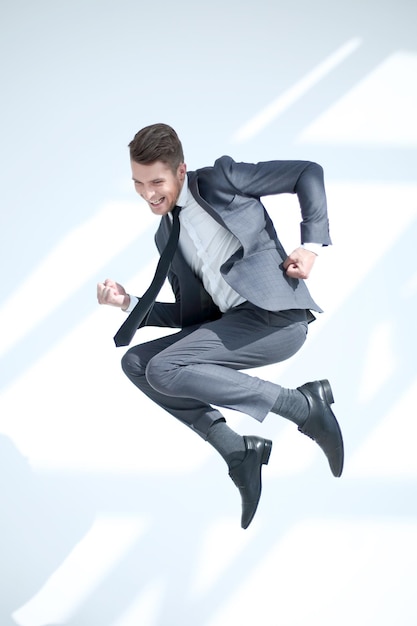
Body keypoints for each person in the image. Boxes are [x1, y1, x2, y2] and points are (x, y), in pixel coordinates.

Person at [97, 123, 344, 529]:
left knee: (164, 368)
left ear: (180, 171)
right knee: (139, 363)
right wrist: (128, 303)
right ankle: (236, 451)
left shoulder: (221, 179)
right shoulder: (166, 237)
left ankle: (302, 407)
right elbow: (191, 318)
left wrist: (311, 246)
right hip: (237, 327)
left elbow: (307, 172)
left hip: (278, 320)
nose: (147, 193)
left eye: (155, 181)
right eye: (137, 184)